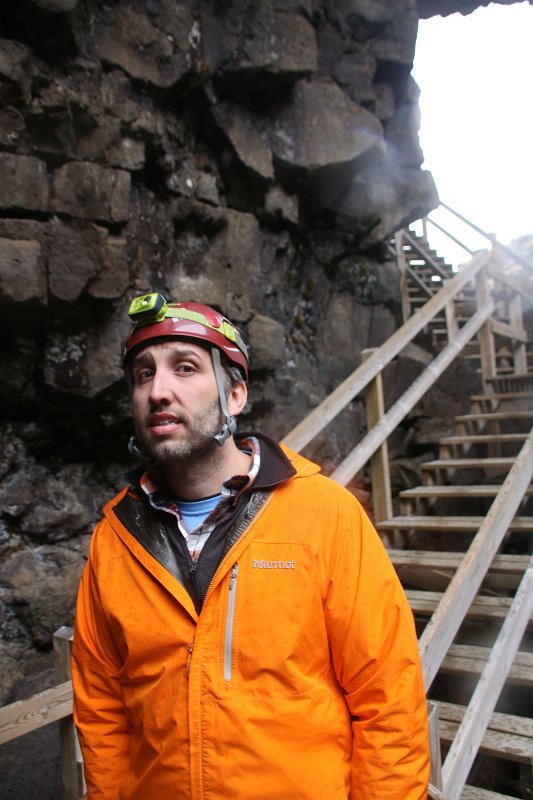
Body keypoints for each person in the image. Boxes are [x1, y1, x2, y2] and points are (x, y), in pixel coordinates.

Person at [71, 291, 430, 800]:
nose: (158, 391)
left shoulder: (325, 514)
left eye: (186, 368)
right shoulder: (114, 539)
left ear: (235, 396)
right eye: (143, 374)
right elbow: (101, 710)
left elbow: (389, 700)